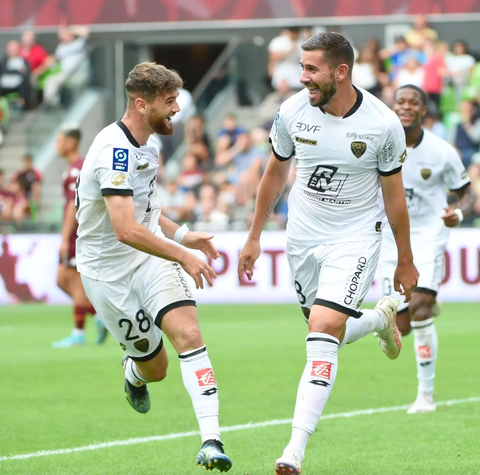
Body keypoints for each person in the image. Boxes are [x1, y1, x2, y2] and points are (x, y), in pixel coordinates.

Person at [238, 32, 418, 475]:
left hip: (356, 237)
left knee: (322, 328)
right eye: (301, 68)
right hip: (302, 237)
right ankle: (378, 319)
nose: (302, 79)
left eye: (311, 70)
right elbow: (274, 174)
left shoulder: (382, 123)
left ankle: (293, 451)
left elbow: (394, 196)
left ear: (341, 72)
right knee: (326, 331)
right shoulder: (292, 112)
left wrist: (406, 258)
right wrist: (255, 235)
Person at [75, 62, 232, 472]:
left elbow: (144, 213)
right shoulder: (115, 150)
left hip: (150, 259)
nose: (177, 108)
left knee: (189, 333)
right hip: (106, 273)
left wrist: (182, 237)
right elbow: (125, 229)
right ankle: (135, 371)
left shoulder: (148, 145)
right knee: (156, 368)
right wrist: (182, 254)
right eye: (169, 101)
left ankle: (211, 441)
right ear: (141, 104)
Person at [379, 85, 474, 413]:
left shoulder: (442, 151)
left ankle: (426, 396)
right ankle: (424, 301)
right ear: (393, 107)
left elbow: (467, 193)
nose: (405, 107)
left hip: (429, 235)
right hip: (388, 241)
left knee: (418, 307)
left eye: (412, 103)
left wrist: (459, 212)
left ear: (424, 110)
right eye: (400, 102)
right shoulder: (379, 145)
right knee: (400, 325)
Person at [51, 126, 107, 348]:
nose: (56, 144)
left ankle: (78, 333)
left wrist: (65, 238)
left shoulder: (76, 170)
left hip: (77, 234)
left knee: (75, 283)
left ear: (71, 142)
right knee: (62, 280)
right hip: (74, 233)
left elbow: (73, 207)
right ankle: (98, 316)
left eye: (59, 139)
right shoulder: (72, 169)